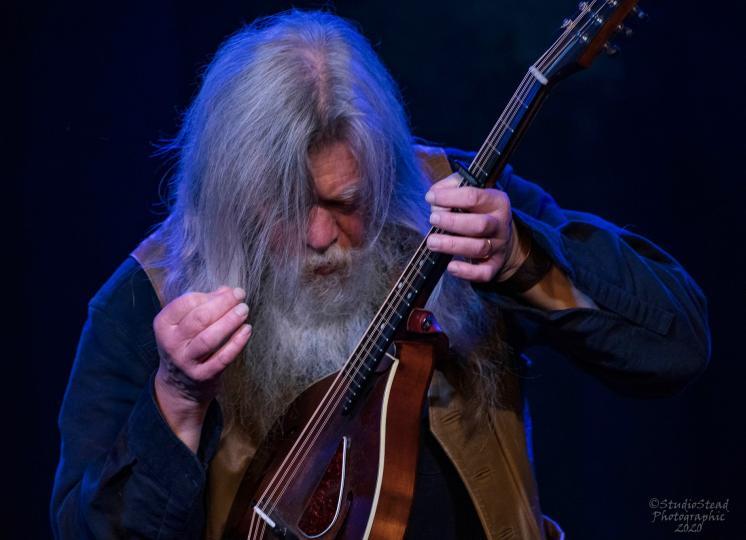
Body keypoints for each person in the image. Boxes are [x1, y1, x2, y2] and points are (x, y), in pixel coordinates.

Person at [50, 10, 710, 540]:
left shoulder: (454, 203)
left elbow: (677, 345)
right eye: (286, 208)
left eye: (346, 202)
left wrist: (520, 259)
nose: (319, 236)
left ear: (383, 173)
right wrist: (175, 401)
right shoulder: (150, 294)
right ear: (229, 194)